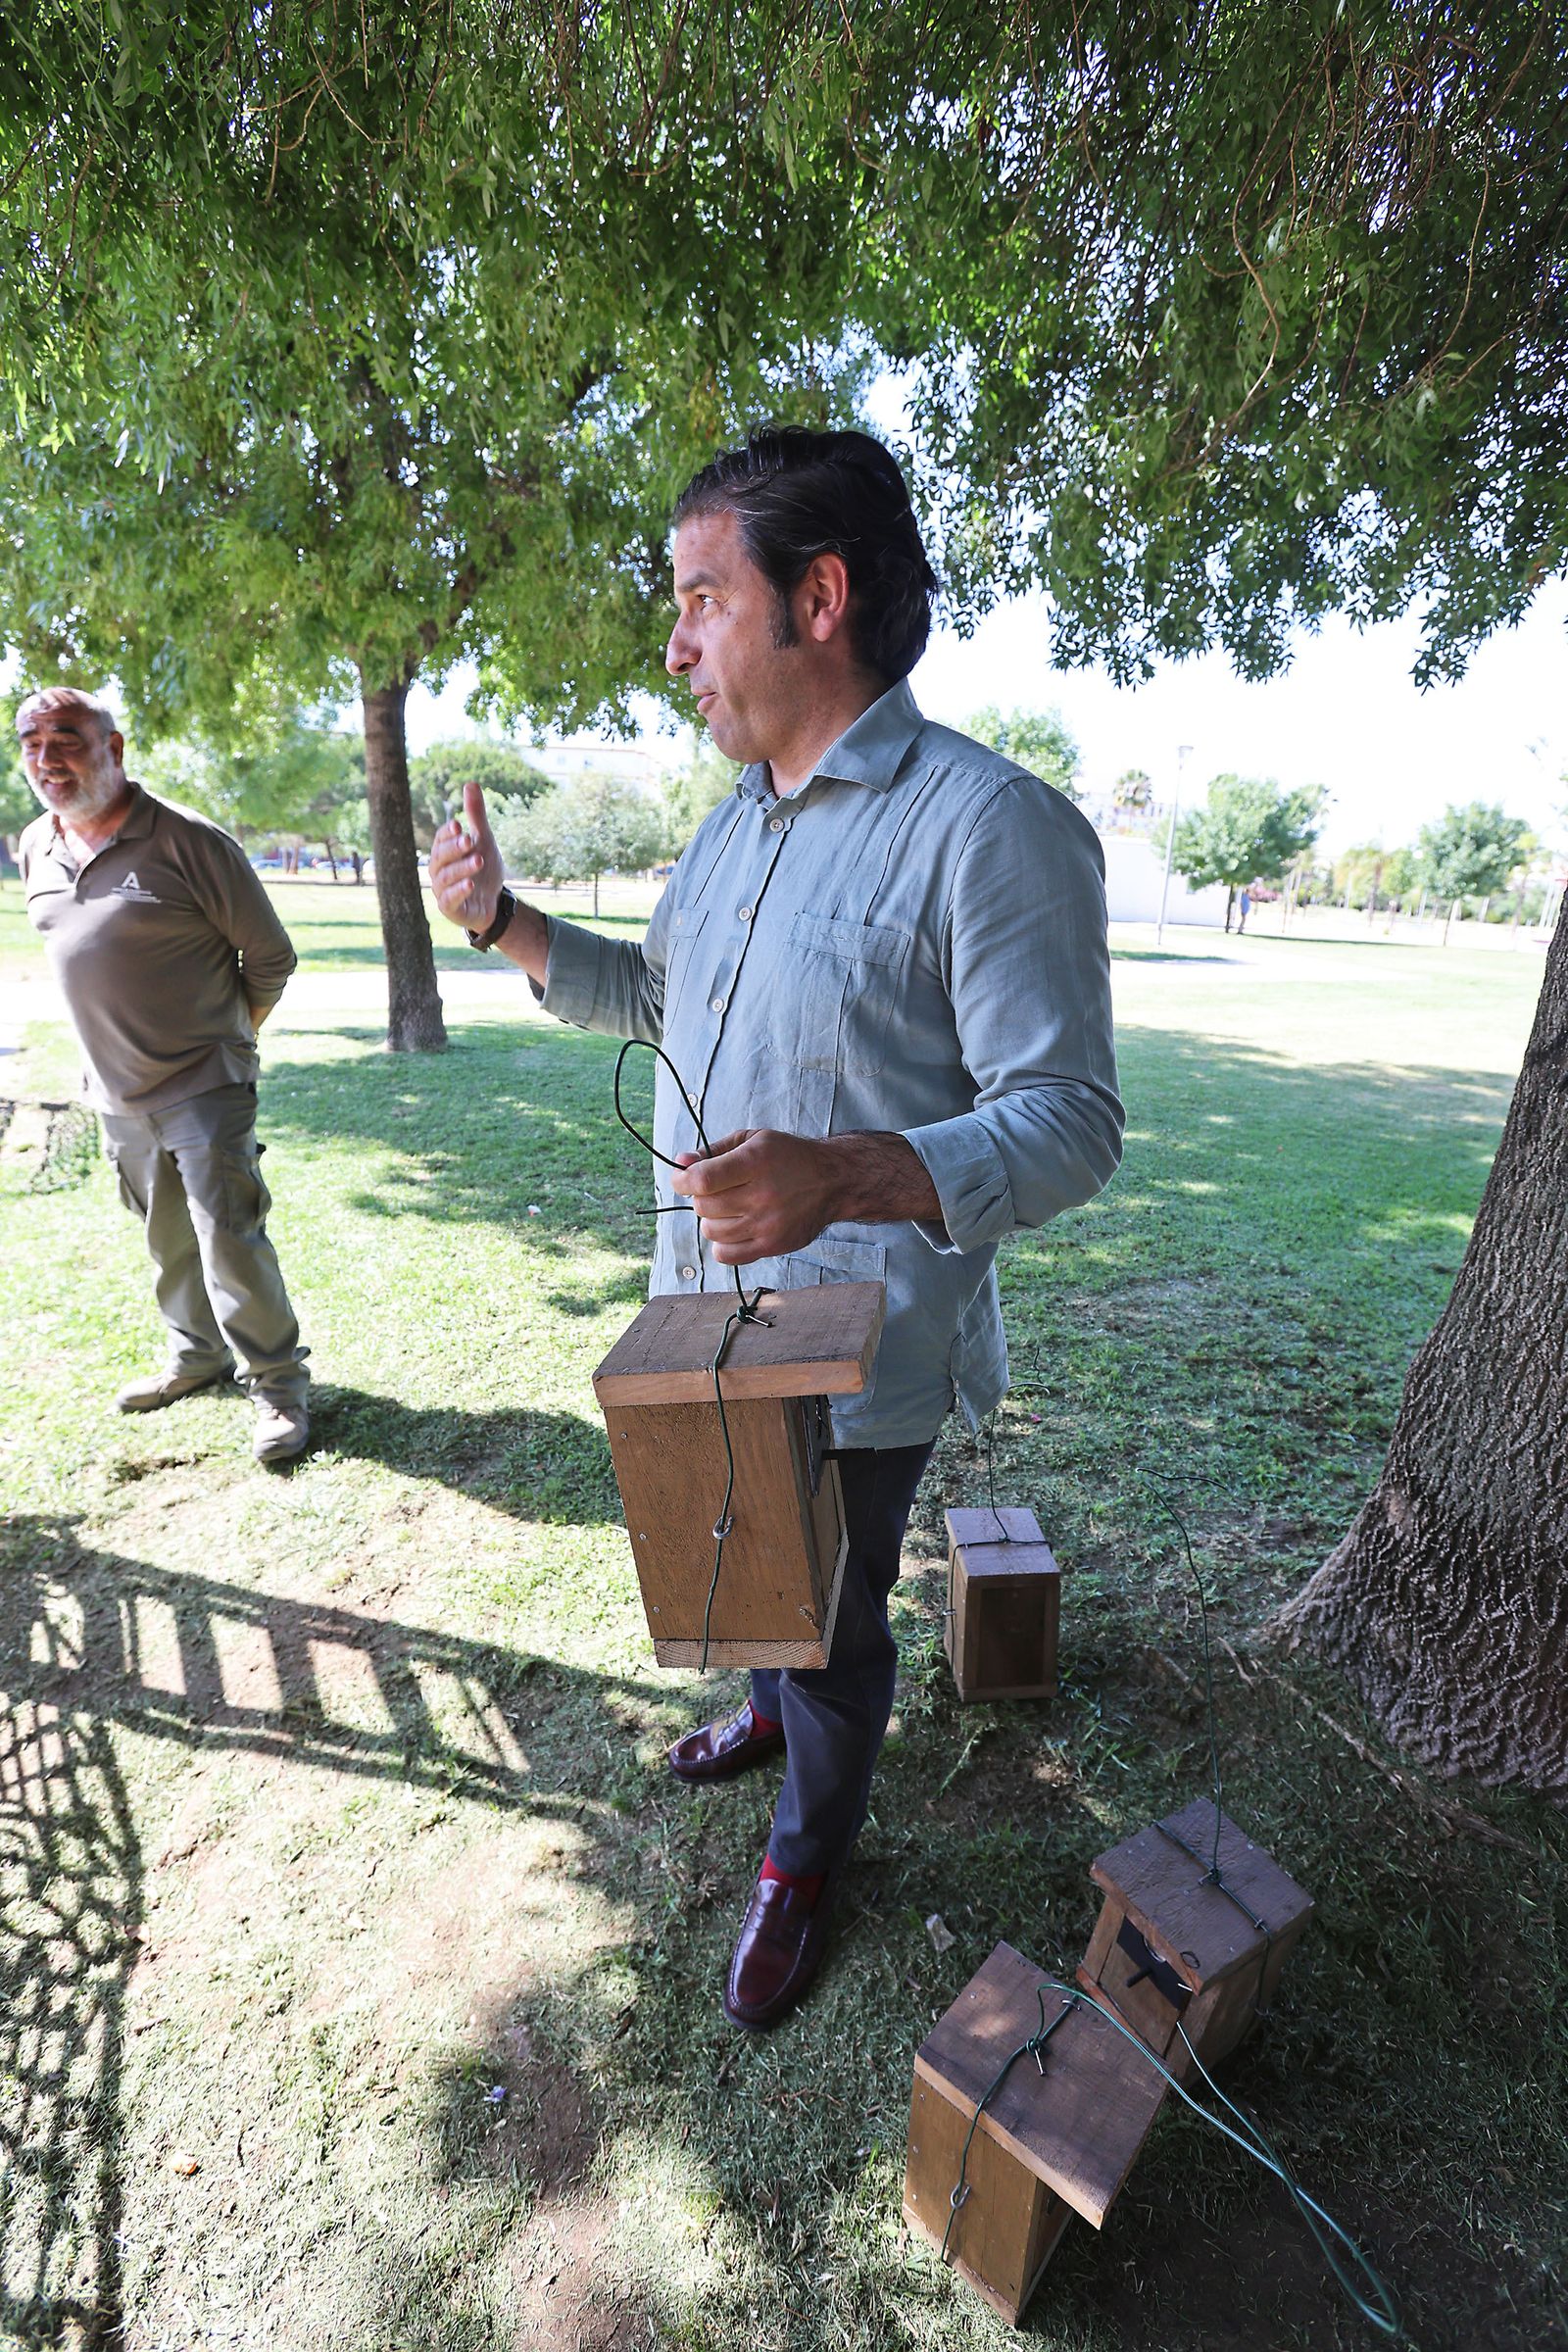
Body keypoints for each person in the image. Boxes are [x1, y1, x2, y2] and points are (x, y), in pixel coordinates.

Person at [429, 426, 1123, 2028]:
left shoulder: (991, 826)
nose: (671, 646)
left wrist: (846, 1171)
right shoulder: (734, 823)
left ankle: (806, 1853)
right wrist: (504, 924)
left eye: (697, 599)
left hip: (858, 1342)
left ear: (819, 596)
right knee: (751, 1561)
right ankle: (768, 1712)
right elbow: (659, 1002)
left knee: (828, 1613)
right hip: (706, 1307)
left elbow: (1070, 1119)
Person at [17, 687, 311, 1462]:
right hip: (113, 1091)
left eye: (68, 739)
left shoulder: (188, 841)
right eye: (32, 741)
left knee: (229, 1240)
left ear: (114, 749)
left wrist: (230, 1038)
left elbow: (271, 955)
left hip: (205, 1084)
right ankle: (196, 1356)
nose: (48, 758)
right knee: (168, 1240)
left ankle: (278, 1387)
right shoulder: (33, 847)